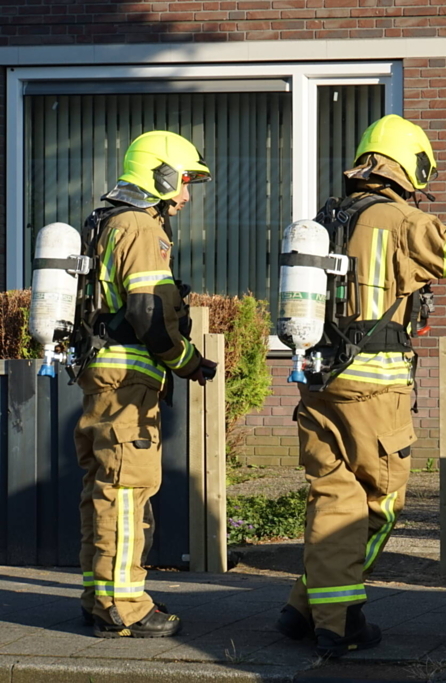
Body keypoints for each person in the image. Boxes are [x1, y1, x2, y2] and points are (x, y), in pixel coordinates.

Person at [276, 114, 446, 657]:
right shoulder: (399, 222)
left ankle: (302, 609)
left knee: (333, 494)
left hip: (318, 384)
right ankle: (340, 623)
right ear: (411, 168)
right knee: (376, 505)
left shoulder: (328, 219)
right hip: (374, 393)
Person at [74, 131, 218, 638]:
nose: (184, 196)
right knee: (129, 490)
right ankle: (124, 605)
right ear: (158, 175)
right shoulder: (139, 226)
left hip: (104, 374)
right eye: (182, 182)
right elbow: (147, 313)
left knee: (104, 489)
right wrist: (187, 361)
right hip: (128, 381)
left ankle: (99, 595)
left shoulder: (108, 221)